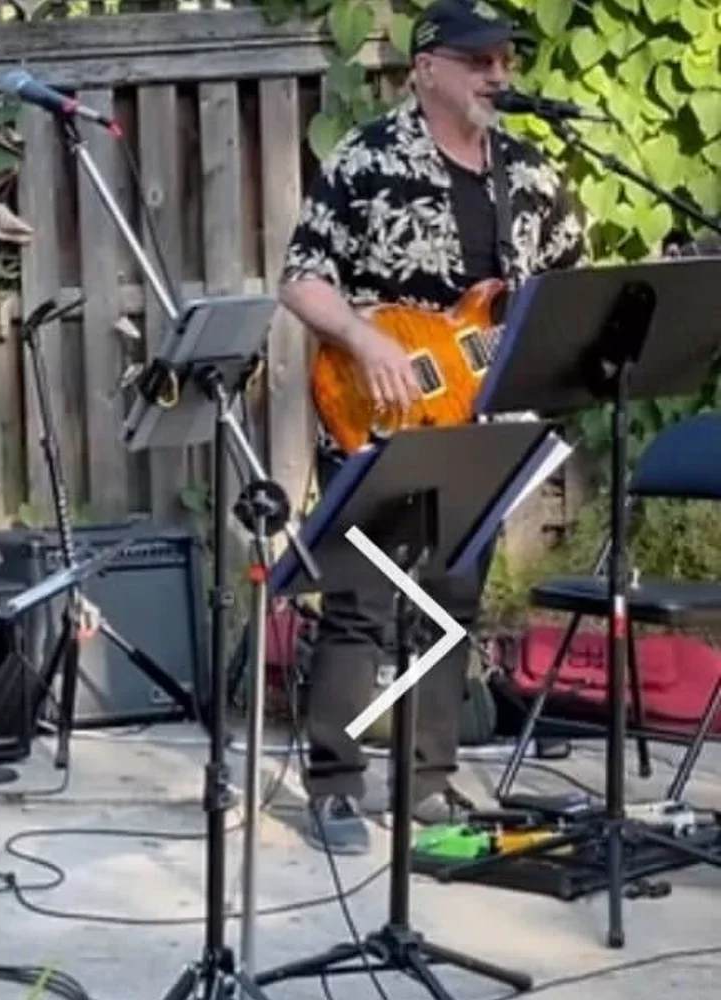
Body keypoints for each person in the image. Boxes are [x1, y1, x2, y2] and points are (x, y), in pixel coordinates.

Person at [279, 0, 585, 856]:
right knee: (360, 601)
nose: (498, 74)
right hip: (376, 403)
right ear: (426, 69)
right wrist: (364, 337)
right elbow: (301, 277)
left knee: (451, 601)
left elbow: (566, 288)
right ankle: (335, 785)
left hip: (480, 416)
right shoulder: (368, 158)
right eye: (479, 60)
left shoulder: (529, 173)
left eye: (506, 60)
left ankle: (426, 781)